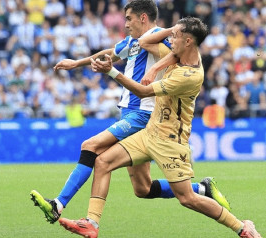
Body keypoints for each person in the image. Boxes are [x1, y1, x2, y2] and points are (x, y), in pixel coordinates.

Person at [58, 17, 262, 238]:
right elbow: (145, 42)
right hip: (149, 133)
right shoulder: (180, 54)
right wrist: (168, 36)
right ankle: (91, 224)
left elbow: (144, 92)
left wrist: (112, 72)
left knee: (187, 199)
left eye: (174, 36)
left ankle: (242, 228)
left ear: (188, 41)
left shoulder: (190, 76)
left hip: (170, 142)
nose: (169, 39)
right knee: (103, 161)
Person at [30, 0, 230, 224]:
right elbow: (112, 53)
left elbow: (179, 55)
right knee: (142, 188)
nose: (125, 24)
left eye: (129, 19)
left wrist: (156, 65)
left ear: (143, 18)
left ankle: (58, 204)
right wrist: (77, 63)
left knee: (91, 147)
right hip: (128, 112)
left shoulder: (162, 39)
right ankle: (201, 189)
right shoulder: (133, 42)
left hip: (143, 113)